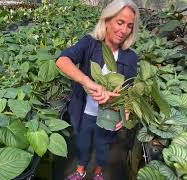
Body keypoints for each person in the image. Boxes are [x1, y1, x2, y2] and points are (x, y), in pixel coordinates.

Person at [55, 0, 140, 179]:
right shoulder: (90, 44)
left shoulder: (130, 57)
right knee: (82, 141)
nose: (124, 30)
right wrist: (87, 81)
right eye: (120, 22)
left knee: (103, 145)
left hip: (110, 114)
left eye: (129, 26)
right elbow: (62, 60)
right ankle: (80, 171)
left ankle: (99, 173)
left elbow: (129, 90)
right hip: (86, 109)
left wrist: (127, 112)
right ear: (107, 20)